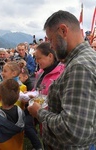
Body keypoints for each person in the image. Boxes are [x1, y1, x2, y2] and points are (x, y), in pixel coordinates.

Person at [28, 10, 96, 150]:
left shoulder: (79, 66)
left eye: (51, 39)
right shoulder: (87, 58)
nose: (51, 46)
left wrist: (39, 112)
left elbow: (73, 131)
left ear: (63, 31)